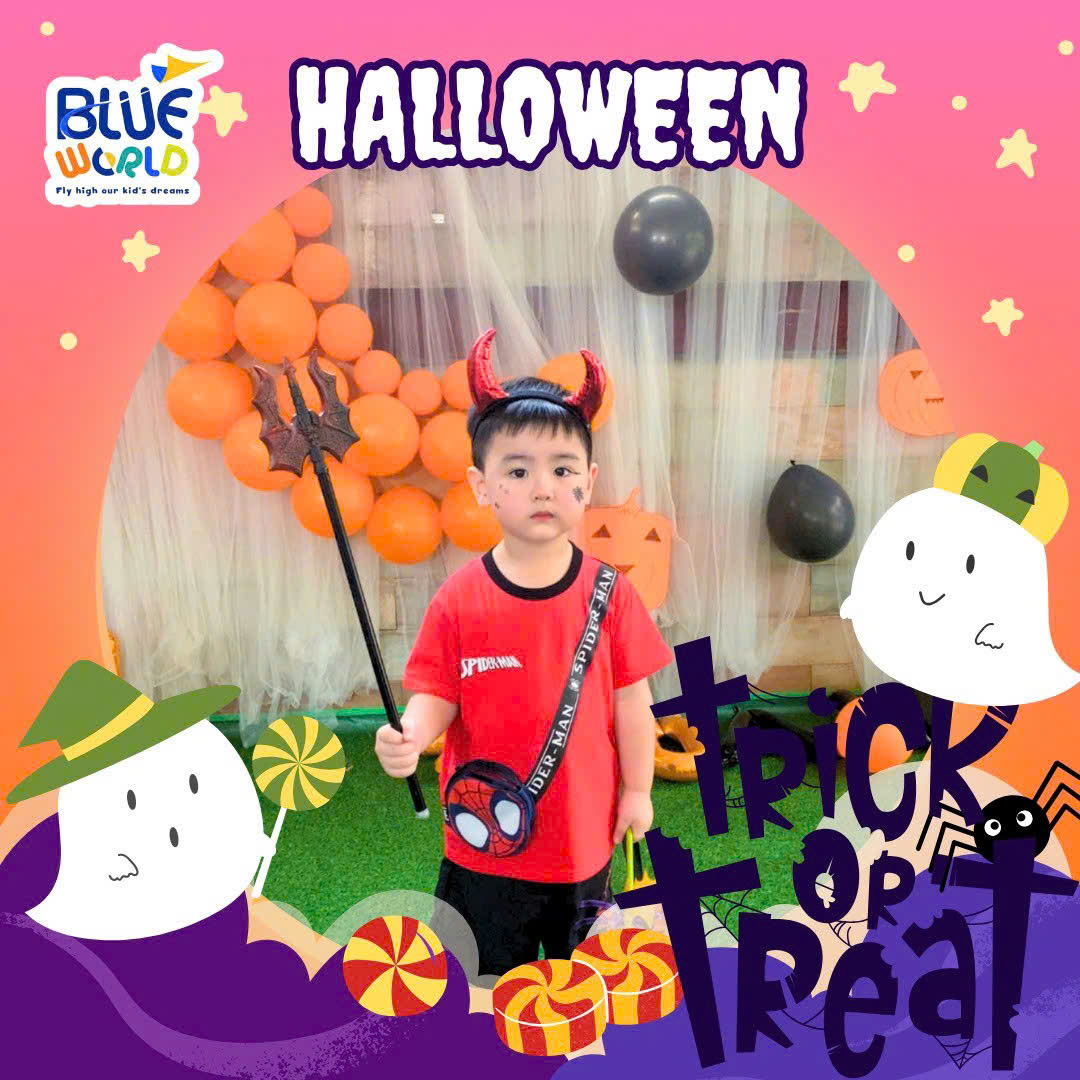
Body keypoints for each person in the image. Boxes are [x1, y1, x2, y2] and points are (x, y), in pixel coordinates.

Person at [375, 328, 673, 980]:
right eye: (518, 471)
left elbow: (632, 704)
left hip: (582, 842)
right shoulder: (459, 598)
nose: (542, 487)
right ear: (481, 486)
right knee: (476, 988)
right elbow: (436, 695)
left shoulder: (611, 594)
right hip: (482, 845)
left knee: (583, 989)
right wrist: (410, 735)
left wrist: (638, 789)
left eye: (562, 470)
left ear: (588, 481)